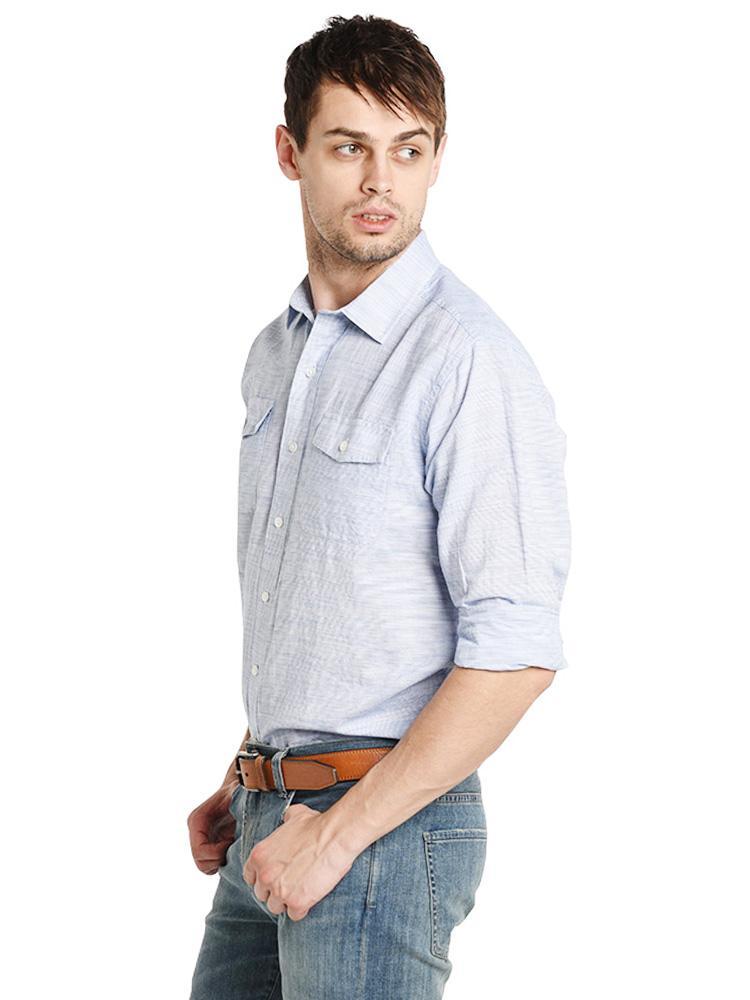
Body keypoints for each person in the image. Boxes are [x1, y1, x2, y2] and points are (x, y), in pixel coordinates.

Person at [188, 14, 571, 999]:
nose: (379, 183)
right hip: (271, 810)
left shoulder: (466, 361)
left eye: (408, 150)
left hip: (380, 833)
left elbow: (517, 651)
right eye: (348, 147)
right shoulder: (276, 352)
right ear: (290, 153)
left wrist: (337, 835)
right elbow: (335, 601)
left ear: (437, 159)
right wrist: (249, 769)